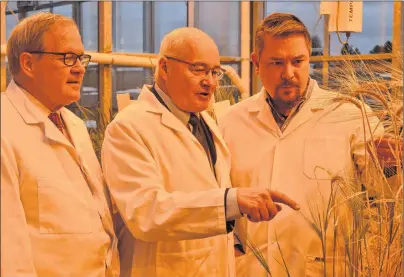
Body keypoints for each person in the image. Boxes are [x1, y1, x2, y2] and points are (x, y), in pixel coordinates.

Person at [101, 27, 300, 277]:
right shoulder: (128, 128)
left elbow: (211, 195)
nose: (210, 81)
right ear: (164, 67)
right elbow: (146, 213)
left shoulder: (204, 122)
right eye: (198, 69)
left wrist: (235, 233)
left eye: (215, 72)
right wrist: (232, 201)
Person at [219, 13, 397, 277]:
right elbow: (219, 198)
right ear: (256, 63)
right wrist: (231, 245)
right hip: (253, 268)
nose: (288, 73)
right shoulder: (230, 122)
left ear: (308, 60)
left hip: (325, 267)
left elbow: (381, 194)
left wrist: (392, 166)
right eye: (277, 62)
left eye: (297, 61)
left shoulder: (349, 113)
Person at [1, 13, 119, 277]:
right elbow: (7, 253)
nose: (79, 68)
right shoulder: (5, 127)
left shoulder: (73, 124)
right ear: (29, 63)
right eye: (67, 58)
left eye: (81, 57)